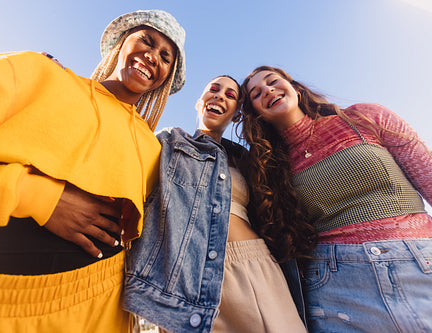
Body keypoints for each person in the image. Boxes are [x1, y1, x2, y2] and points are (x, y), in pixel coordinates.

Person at [0, 9, 185, 333]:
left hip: (98, 315)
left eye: (166, 56)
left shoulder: (156, 151)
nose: (152, 55)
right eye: (146, 39)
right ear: (121, 41)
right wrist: (33, 195)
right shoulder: (40, 73)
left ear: (168, 76)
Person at [240, 65, 432, 332]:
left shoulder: (364, 117)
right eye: (256, 93)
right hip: (333, 287)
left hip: (424, 263)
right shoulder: (270, 168)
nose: (267, 90)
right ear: (257, 113)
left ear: (295, 87)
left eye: (273, 81)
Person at [122, 75, 308, 333]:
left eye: (231, 95)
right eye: (214, 89)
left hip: (256, 266)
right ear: (199, 103)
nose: (221, 96)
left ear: (235, 115)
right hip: (187, 279)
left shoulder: (246, 160)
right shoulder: (169, 141)